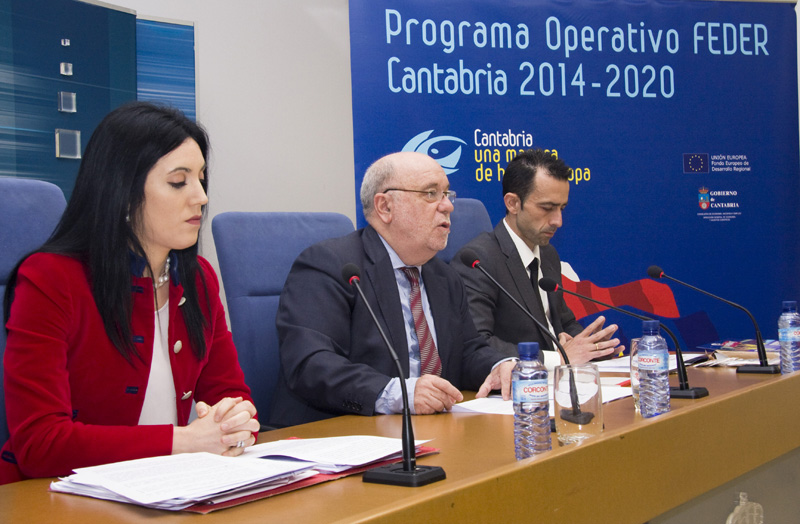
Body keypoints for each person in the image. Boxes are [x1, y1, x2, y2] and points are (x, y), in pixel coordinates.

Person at [1, 102, 258, 484]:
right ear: (121, 191)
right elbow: (41, 444)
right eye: (178, 181)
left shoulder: (199, 279)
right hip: (54, 498)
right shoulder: (50, 279)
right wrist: (182, 441)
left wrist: (236, 421)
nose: (201, 196)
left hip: (168, 490)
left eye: (201, 178)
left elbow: (231, 394)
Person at [270, 151, 515, 427]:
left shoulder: (444, 276)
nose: (448, 206)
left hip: (428, 431)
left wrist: (498, 367)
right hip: (340, 435)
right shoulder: (331, 265)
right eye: (431, 194)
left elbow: (467, 351)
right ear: (385, 207)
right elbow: (311, 364)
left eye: (447, 194)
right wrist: (399, 394)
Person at [451, 149, 623, 369]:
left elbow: (563, 322)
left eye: (562, 208)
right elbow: (478, 344)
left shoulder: (548, 253)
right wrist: (558, 358)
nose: (558, 221)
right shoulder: (479, 261)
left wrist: (591, 346)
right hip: (516, 390)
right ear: (513, 203)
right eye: (547, 208)